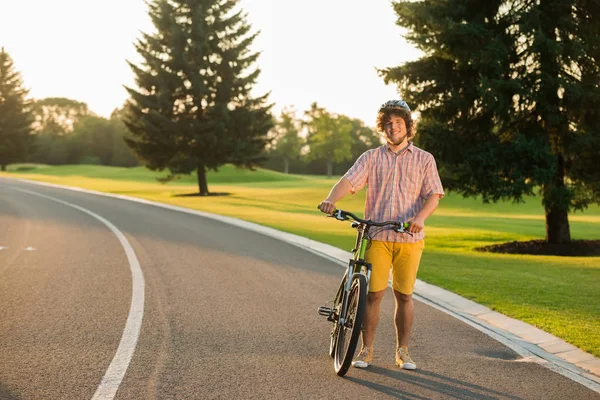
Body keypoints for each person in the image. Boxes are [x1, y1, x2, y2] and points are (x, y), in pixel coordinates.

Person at [318, 99, 444, 370]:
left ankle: (403, 352)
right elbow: (349, 181)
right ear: (382, 127)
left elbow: (434, 195)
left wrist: (419, 219)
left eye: (398, 122)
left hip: (409, 240)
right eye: (388, 123)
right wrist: (331, 199)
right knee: (373, 295)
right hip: (378, 238)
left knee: (404, 296)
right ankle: (366, 350)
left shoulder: (424, 159)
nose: (393, 127)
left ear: (408, 127)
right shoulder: (372, 157)